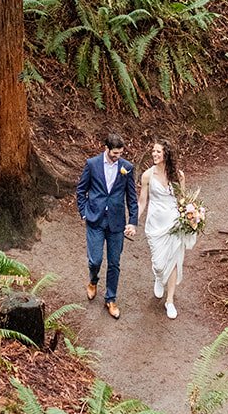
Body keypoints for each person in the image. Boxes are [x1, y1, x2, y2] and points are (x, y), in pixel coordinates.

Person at [76, 130, 137, 319]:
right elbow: (81, 190)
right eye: (114, 153)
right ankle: (93, 280)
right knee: (95, 260)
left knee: (114, 262)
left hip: (116, 223)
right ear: (106, 148)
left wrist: (132, 222)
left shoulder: (127, 168)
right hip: (95, 219)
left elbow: (132, 198)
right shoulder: (92, 164)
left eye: (120, 153)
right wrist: (84, 212)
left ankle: (110, 299)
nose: (118, 157)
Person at [137, 138, 193, 320]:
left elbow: (182, 200)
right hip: (155, 226)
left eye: (158, 151)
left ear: (166, 154)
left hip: (174, 224)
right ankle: (159, 276)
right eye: (153, 151)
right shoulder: (147, 176)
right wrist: (132, 220)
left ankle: (170, 301)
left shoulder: (178, 175)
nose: (154, 154)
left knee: (174, 260)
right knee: (159, 263)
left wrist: (192, 217)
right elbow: (142, 201)